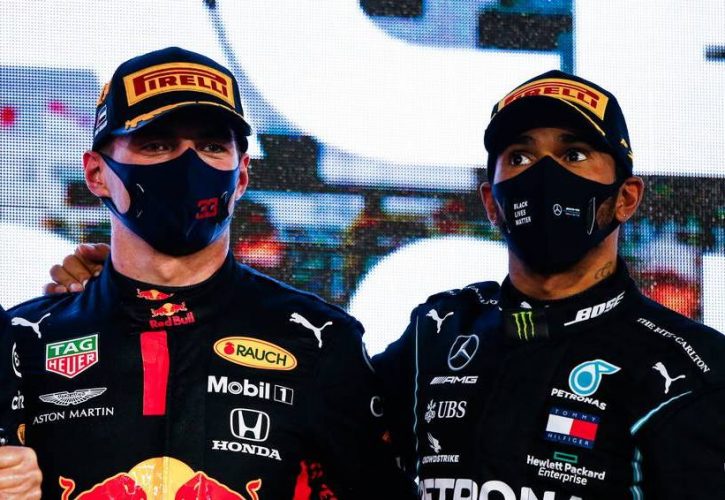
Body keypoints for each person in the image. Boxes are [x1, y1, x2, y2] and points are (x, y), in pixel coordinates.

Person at [0, 47, 414, 499]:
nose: (188, 164)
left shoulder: (320, 340)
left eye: (213, 146)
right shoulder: (23, 339)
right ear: (96, 173)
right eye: (157, 144)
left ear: (241, 175)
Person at [373, 71, 725, 499]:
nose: (544, 175)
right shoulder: (438, 331)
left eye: (574, 154)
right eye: (520, 157)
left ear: (626, 198)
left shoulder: (689, 367)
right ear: (491, 202)